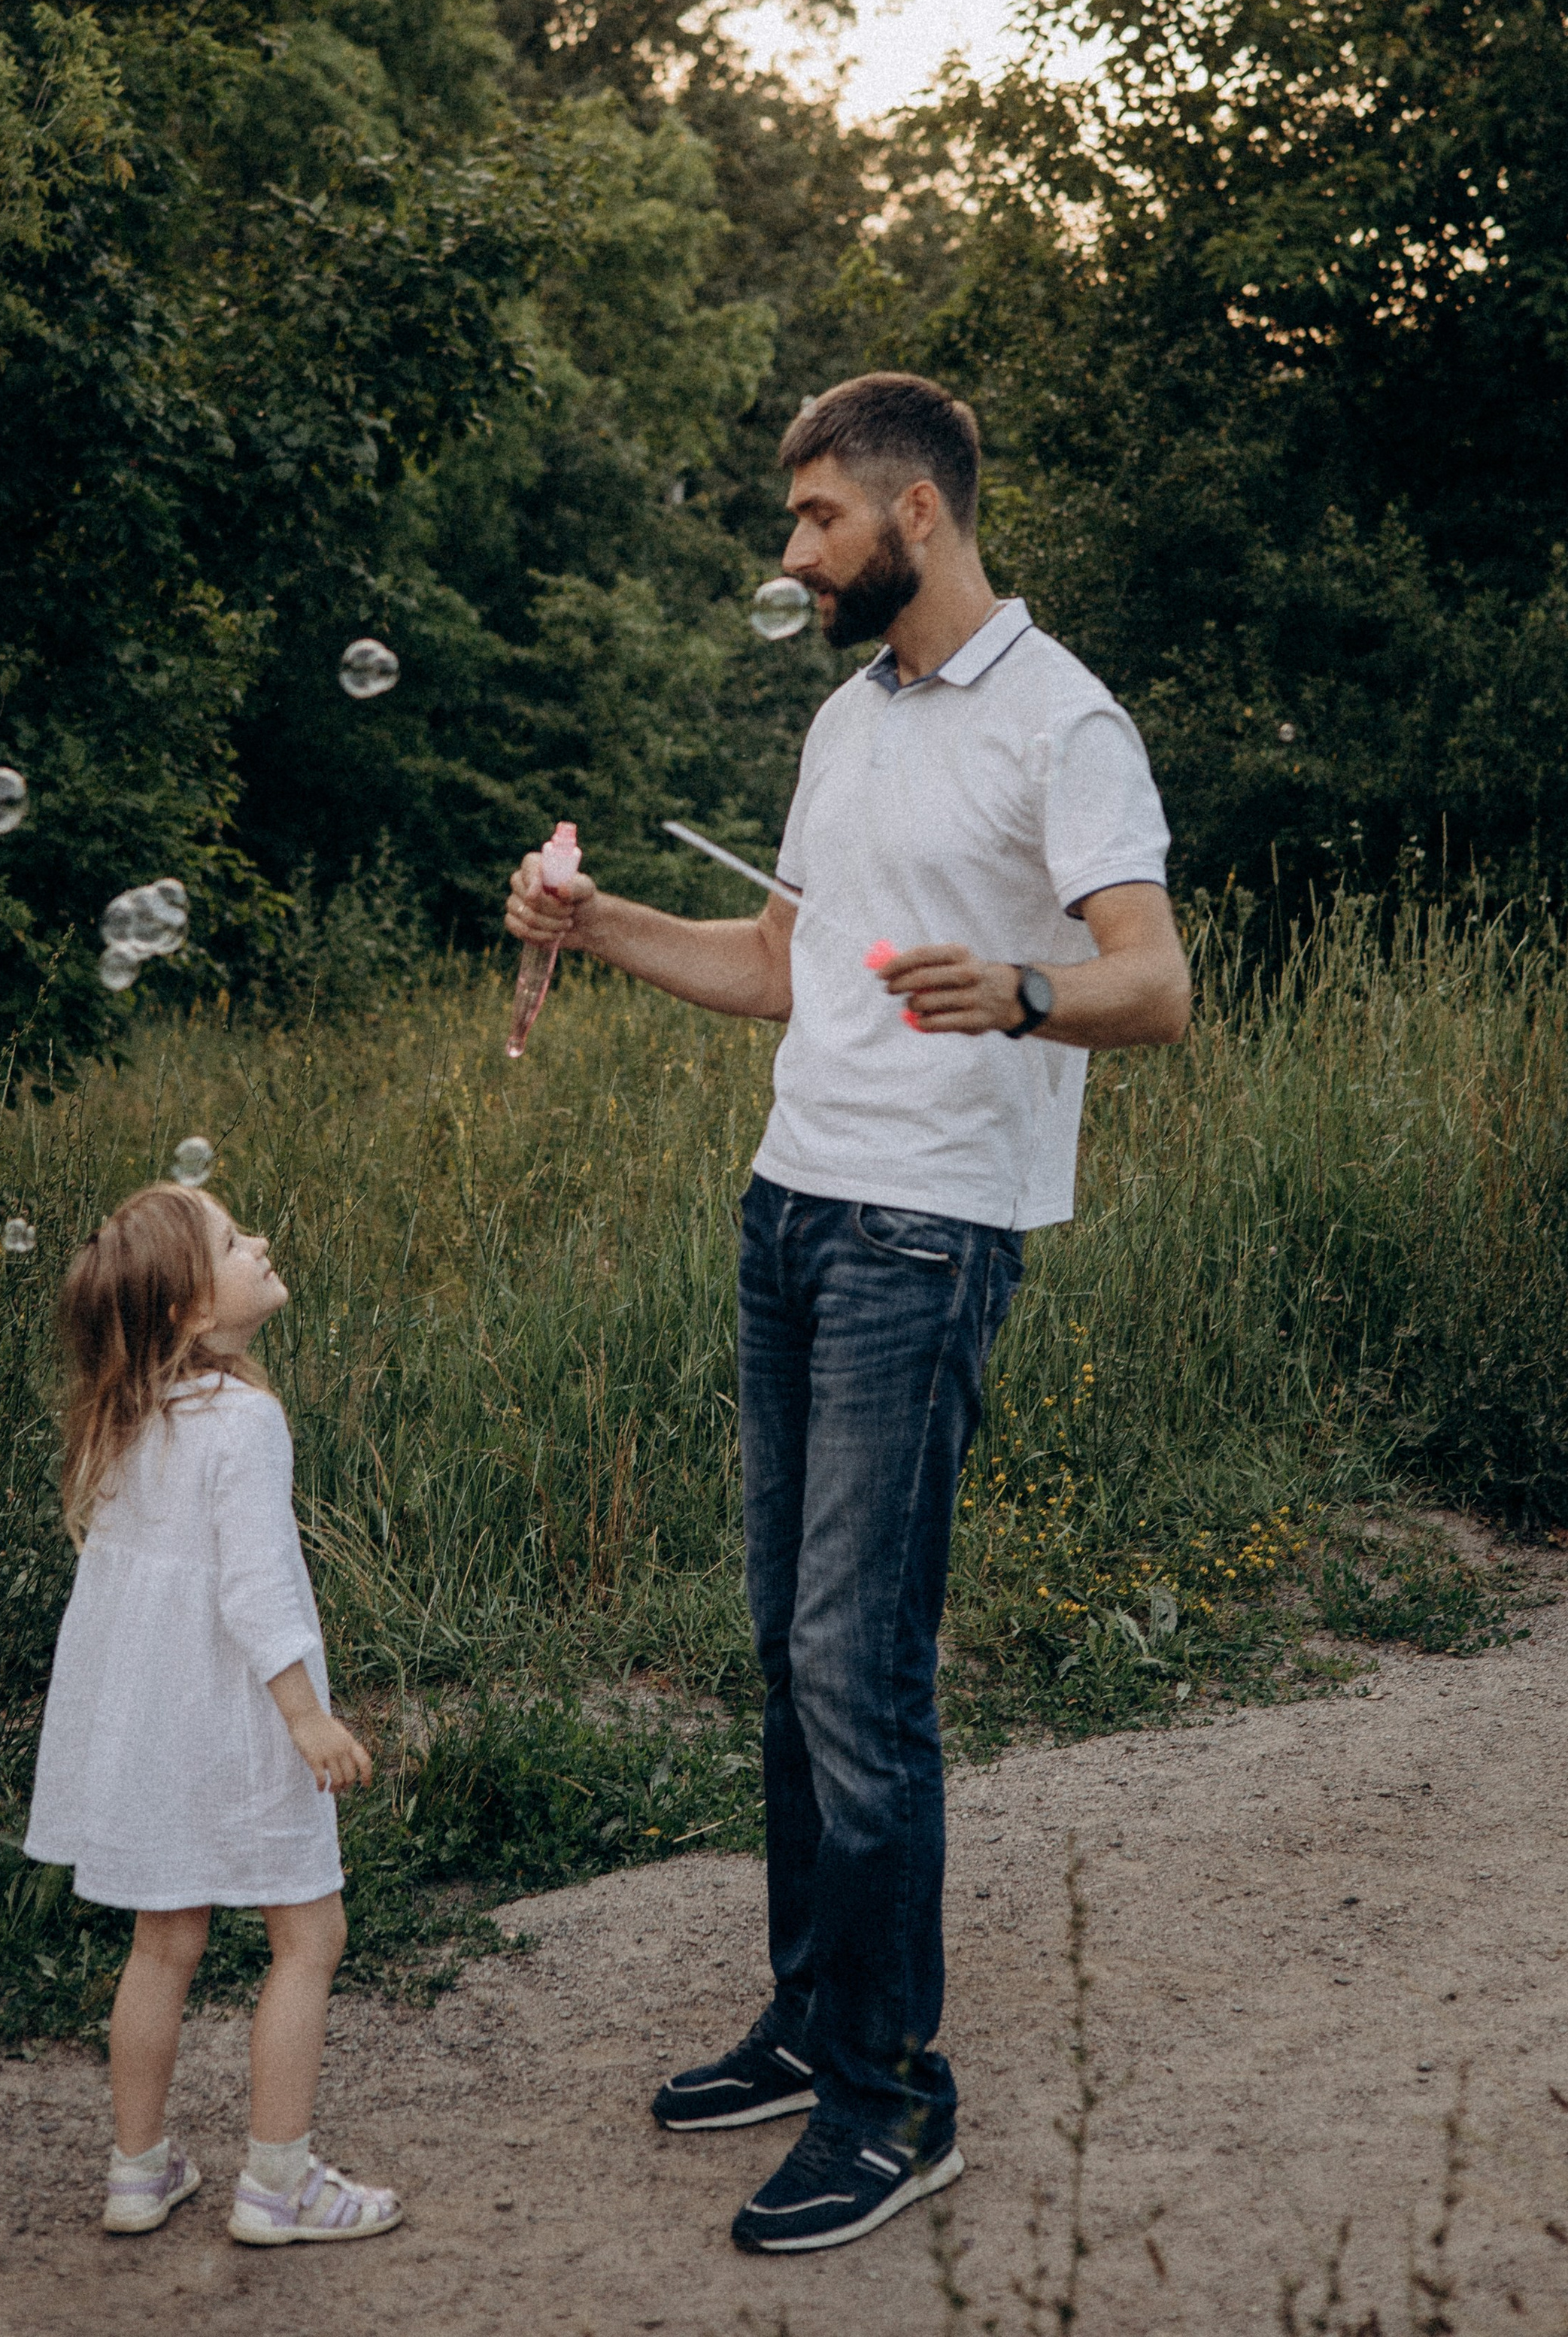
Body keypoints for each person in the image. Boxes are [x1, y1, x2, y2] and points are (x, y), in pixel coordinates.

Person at [504, 372, 1190, 2257]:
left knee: (857, 1667)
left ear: (915, 515)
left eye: (814, 518)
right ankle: (814, 2022)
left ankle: (895, 2098)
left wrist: (1030, 998)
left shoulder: (1065, 721)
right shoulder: (844, 713)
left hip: (926, 1237)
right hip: (790, 1210)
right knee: (783, 1652)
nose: (792, 548)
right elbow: (773, 962)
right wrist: (597, 925)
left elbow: (1154, 983)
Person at [24, 1181, 400, 2249]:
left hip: (150, 1726)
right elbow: (258, 1590)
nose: (261, 1242)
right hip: (243, 1718)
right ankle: (278, 2184)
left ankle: (138, 2173)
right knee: (309, 1932)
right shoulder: (245, 1421)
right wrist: (308, 1718)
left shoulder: (127, 1414)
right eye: (236, 1241)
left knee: (165, 1940)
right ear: (191, 1309)